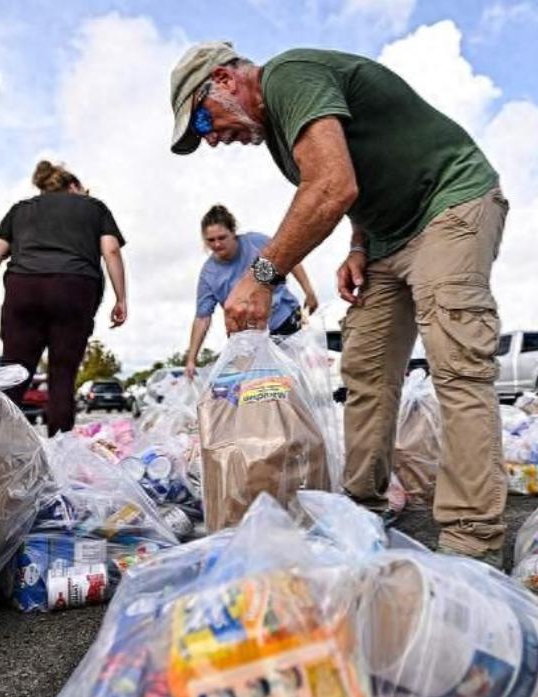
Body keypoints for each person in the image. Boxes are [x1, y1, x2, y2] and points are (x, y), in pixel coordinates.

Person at [168, 42, 508, 565]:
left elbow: (332, 184)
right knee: (366, 368)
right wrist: (358, 246)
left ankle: (472, 542)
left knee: (457, 362)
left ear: (225, 80)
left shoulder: (289, 76)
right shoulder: (280, 137)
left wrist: (262, 276)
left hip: (449, 203)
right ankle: (363, 508)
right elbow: (358, 178)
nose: (211, 138)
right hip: (385, 238)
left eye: (202, 121)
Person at [0, 160, 128, 435]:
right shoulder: (93, 207)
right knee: (62, 377)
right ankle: (60, 448)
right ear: (73, 186)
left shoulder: (20, 210)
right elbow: (110, 250)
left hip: (24, 288)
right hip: (74, 289)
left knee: (12, 374)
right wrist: (121, 298)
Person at [185, 204, 318, 377]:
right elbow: (202, 317)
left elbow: (291, 259)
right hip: (250, 339)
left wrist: (309, 291)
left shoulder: (256, 243)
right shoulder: (209, 274)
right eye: (211, 240)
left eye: (222, 237)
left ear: (233, 232)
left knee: (296, 378)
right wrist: (191, 359)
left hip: (286, 322)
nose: (217, 244)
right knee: (262, 386)